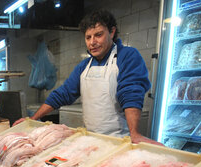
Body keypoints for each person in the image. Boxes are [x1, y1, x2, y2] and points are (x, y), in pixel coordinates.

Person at [14, 9, 161, 145]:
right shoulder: (84, 66)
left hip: (119, 141)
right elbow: (63, 94)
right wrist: (33, 119)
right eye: (88, 37)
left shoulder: (127, 56)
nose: (92, 42)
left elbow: (131, 92)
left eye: (98, 35)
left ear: (111, 32)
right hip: (90, 140)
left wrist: (134, 134)